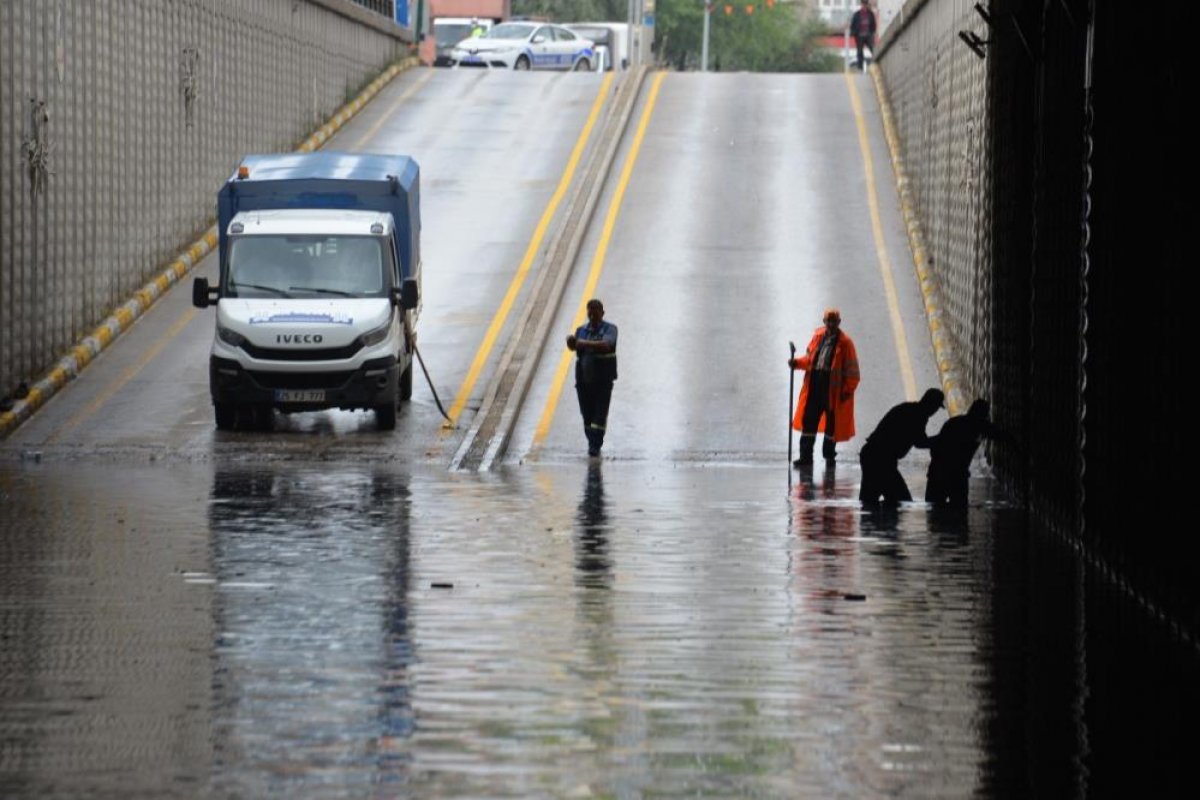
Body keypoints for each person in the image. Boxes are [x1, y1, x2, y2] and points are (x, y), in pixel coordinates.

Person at [789, 308, 860, 466]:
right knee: (809, 421)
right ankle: (806, 457)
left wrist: (846, 391)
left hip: (833, 393)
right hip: (815, 387)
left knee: (831, 427)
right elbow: (809, 359)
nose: (831, 324)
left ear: (839, 322)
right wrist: (796, 363)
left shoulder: (846, 344)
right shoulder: (818, 337)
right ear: (824, 322)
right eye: (828, 321)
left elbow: (853, 373)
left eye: (834, 321)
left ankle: (829, 456)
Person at [859, 387, 944, 504]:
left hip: (873, 456)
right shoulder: (918, 415)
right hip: (881, 460)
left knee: (869, 502)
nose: (935, 411)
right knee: (901, 500)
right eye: (936, 407)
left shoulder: (911, 409)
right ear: (932, 405)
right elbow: (920, 442)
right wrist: (942, 439)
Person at [925, 398, 1011, 507]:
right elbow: (1002, 436)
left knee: (933, 512)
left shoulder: (953, 423)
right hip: (957, 476)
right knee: (959, 514)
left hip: (938, 474)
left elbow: (935, 448)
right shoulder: (981, 427)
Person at [566, 298, 618, 458]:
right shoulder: (581, 330)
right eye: (590, 311)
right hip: (584, 380)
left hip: (603, 380)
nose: (592, 315)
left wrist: (583, 343)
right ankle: (592, 441)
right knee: (587, 414)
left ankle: (595, 445)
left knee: (599, 414)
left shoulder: (610, 329)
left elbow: (607, 345)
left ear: (602, 313)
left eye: (596, 312)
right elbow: (573, 346)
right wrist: (571, 342)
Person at [848, 0, 877, 71]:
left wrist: (872, 32)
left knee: (873, 49)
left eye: (865, 4)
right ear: (861, 5)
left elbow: (873, 24)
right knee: (860, 51)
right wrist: (853, 33)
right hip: (859, 36)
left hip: (868, 35)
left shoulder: (870, 14)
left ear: (867, 5)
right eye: (863, 4)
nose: (864, 6)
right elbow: (853, 25)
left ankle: (876, 62)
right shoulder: (857, 14)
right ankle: (860, 67)